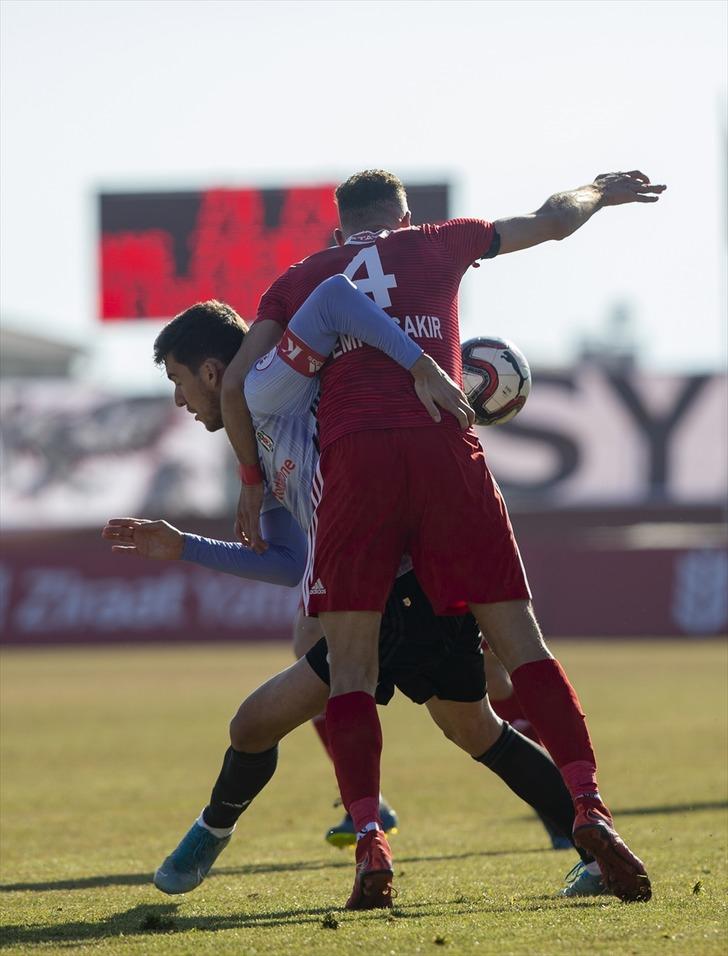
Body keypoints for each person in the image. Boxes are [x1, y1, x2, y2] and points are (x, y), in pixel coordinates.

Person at [219, 169, 665, 907]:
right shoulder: (437, 243)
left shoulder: (301, 276)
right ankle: (588, 807)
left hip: (356, 462)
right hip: (445, 449)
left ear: (342, 228)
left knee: (350, 668)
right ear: (402, 218)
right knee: (522, 645)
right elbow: (553, 220)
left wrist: (248, 481)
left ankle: (370, 838)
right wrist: (596, 190)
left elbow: (236, 383)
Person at [102, 284, 595, 899]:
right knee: (475, 729)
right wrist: (184, 547)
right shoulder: (254, 445)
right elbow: (290, 562)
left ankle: (227, 834)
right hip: (397, 592)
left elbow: (336, 302)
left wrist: (418, 363)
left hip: (388, 591)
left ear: (210, 372)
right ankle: (592, 841)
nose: (179, 399)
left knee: (253, 725)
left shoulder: (284, 389)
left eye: (179, 381)